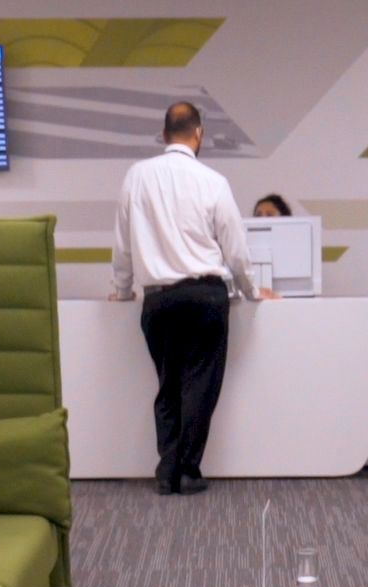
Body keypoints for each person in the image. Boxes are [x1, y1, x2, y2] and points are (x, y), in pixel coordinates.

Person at [111, 101, 270, 495]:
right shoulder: (212, 181)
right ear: (198, 133)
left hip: (158, 300)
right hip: (205, 298)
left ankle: (166, 471)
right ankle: (188, 471)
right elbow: (235, 247)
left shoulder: (136, 177)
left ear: (164, 135)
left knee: (168, 384)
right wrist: (251, 290)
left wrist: (123, 288)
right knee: (200, 384)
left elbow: (123, 242)